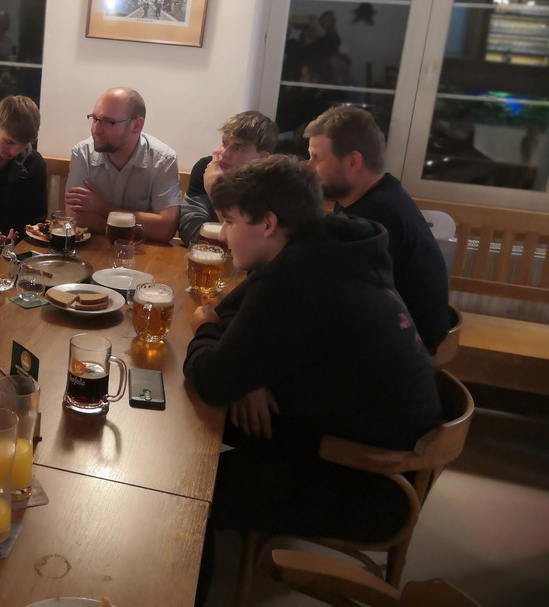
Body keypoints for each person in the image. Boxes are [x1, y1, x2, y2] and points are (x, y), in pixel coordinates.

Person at [182, 155, 443, 603]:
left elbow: (210, 377)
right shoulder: (326, 245)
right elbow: (234, 315)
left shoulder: (299, 278)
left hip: (370, 480)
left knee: (194, 490)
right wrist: (249, 374)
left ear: (268, 223)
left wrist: (207, 332)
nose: (222, 235)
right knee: (198, 437)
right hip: (344, 430)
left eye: (229, 221)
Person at [304, 105, 450, 352]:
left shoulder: (377, 215)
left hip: (407, 346)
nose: (309, 166)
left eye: (317, 158)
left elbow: (341, 294)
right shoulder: (372, 195)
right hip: (390, 330)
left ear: (353, 162)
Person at [65, 87, 181, 243]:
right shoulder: (82, 153)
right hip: (95, 249)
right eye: (94, 119)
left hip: (144, 252)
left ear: (136, 126)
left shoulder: (163, 160)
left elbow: (165, 229)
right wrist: (136, 225)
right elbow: (75, 217)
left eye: (109, 122)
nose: (96, 129)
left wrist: (102, 208)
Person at [178, 111, 279, 245]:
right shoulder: (206, 168)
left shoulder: (273, 186)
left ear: (262, 158)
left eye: (238, 148)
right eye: (224, 143)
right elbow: (189, 228)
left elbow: (249, 246)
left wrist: (215, 191)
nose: (224, 154)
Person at [0, 95, 48, 237]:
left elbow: (37, 220)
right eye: (9, 141)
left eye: (23, 144)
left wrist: (13, 238)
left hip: (17, 243)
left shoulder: (35, 164)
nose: (14, 152)